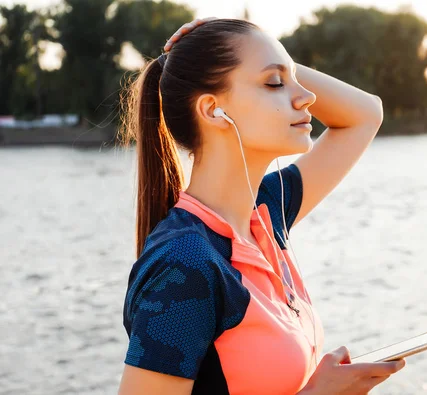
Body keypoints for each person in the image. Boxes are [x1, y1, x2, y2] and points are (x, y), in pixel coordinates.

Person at [118, 17, 405, 395]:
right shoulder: (185, 263)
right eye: (274, 83)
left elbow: (366, 113)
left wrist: (267, 51)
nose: (306, 98)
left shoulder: (268, 215)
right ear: (212, 110)